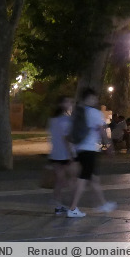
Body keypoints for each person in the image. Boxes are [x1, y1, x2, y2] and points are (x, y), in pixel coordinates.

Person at [67, 88, 116, 218]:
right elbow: (102, 131)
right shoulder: (95, 113)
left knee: (94, 179)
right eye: (93, 98)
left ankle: (103, 204)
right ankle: (73, 208)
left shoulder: (78, 112)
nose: (95, 100)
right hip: (90, 150)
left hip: (80, 149)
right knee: (83, 180)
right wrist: (109, 146)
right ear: (89, 99)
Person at [48, 96, 75, 214]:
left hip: (55, 153)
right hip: (65, 154)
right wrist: (71, 154)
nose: (70, 104)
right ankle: (73, 205)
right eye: (68, 102)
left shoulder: (52, 120)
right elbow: (66, 138)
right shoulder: (66, 120)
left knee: (59, 181)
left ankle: (58, 204)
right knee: (71, 180)